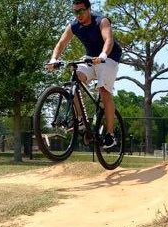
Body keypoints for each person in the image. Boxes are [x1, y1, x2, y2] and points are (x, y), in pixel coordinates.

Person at [46, 0, 122, 149]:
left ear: (88, 9)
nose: (78, 15)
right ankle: (80, 119)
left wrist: (103, 56)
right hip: (90, 59)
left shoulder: (101, 21)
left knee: (104, 91)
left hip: (109, 58)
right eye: (75, 12)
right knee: (73, 79)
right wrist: (54, 59)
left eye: (81, 11)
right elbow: (61, 43)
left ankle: (110, 135)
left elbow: (109, 40)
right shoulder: (74, 25)